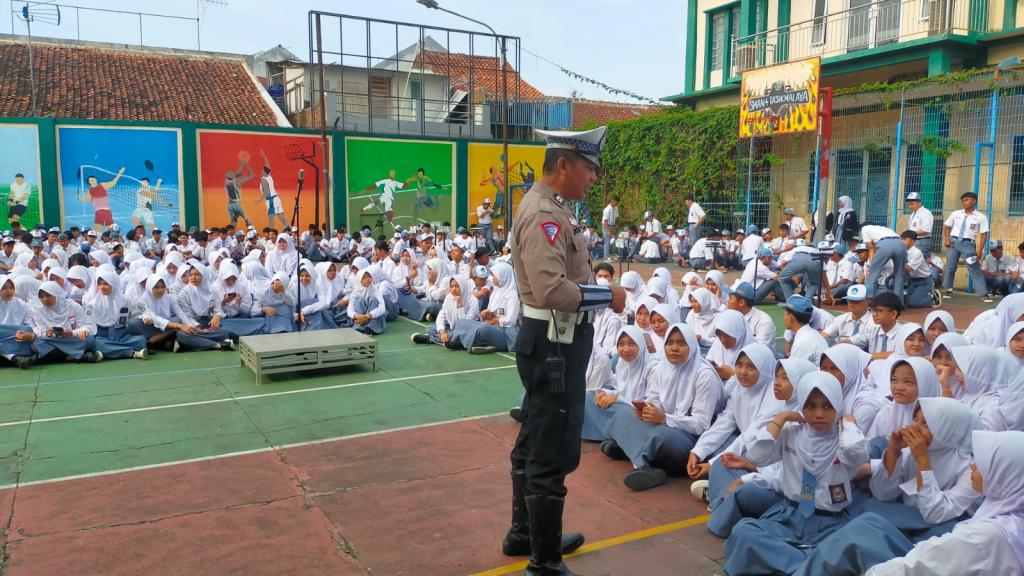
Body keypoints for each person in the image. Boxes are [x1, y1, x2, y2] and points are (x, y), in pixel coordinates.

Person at [505, 126, 625, 575]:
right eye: (589, 168)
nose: (593, 177)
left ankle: (528, 535)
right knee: (551, 448)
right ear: (563, 166)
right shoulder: (543, 214)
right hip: (555, 342)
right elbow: (553, 289)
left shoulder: (552, 209)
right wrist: (606, 295)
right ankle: (545, 561)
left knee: (535, 437)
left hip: (554, 340)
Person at [867, 430, 1024, 575]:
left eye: (986, 463)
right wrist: (893, 451)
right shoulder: (1007, 507)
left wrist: (923, 462)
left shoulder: (988, 535)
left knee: (864, 532)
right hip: (927, 542)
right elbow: (882, 493)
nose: (974, 465)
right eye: (915, 418)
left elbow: (933, 517)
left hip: (928, 540)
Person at [943, 190, 989, 299]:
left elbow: (983, 234)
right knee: (950, 267)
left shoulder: (981, 217)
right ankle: (948, 290)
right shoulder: (956, 213)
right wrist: (947, 239)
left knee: (974, 268)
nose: (964, 202)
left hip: (969, 244)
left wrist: (979, 250)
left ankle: (983, 293)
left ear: (974, 201)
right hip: (953, 243)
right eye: (962, 201)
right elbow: (947, 227)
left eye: (966, 200)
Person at [862, 223, 907, 304]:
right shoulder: (884, 229)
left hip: (885, 245)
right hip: (900, 244)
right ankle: (898, 304)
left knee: (872, 274)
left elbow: (871, 248)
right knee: (899, 275)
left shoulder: (864, 228)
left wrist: (871, 265)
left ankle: (869, 301)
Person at [784, 295, 828, 365]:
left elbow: (795, 372)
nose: (784, 318)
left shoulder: (802, 343)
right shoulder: (812, 333)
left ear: (791, 318)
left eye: (785, 314)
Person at [901, 230, 936, 308]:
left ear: (912, 241)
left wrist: (896, 260)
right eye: (902, 239)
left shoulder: (916, 253)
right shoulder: (903, 250)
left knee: (913, 304)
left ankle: (932, 297)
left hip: (924, 281)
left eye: (905, 239)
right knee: (905, 302)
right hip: (912, 281)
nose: (902, 241)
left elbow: (907, 268)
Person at [259, 150, 289, 230]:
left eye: (262, 170)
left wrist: (258, 200)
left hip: (271, 199)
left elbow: (266, 193)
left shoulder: (264, 178)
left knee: (271, 216)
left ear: (265, 172)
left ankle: (271, 232)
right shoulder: (269, 177)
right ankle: (287, 228)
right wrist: (264, 156)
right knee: (280, 215)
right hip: (275, 198)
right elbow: (267, 165)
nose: (261, 171)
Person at [224, 159, 254, 229]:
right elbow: (251, 175)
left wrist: (242, 164)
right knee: (247, 221)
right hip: (237, 204)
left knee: (233, 222)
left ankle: (232, 236)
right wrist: (245, 164)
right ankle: (251, 232)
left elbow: (238, 173)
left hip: (230, 205)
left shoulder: (226, 181)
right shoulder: (238, 181)